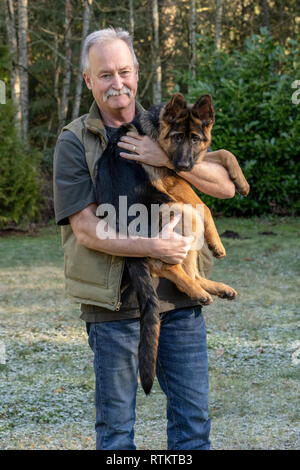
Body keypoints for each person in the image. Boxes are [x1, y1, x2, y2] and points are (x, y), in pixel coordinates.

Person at [53, 27, 235, 450]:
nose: (117, 83)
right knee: (116, 434)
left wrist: (168, 158)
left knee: (194, 425)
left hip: (182, 300)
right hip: (114, 303)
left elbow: (225, 187)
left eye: (124, 71)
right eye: (104, 75)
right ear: (87, 80)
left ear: (137, 72)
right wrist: (153, 248)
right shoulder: (74, 141)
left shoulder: (167, 126)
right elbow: (84, 227)